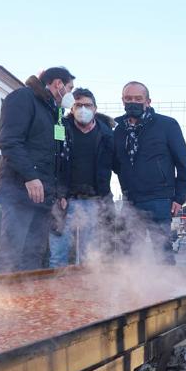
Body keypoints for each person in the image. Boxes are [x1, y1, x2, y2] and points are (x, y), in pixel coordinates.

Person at [0, 67, 75, 273]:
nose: (71, 94)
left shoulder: (53, 111)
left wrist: (58, 193)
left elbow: (55, 157)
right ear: (58, 84)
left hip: (43, 196)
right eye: (70, 88)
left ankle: (27, 300)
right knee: (11, 252)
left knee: (34, 254)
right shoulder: (23, 98)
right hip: (18, 192)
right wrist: (30, 177)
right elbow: (9, 141)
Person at [113, 81, 186, 265]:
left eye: (138, 98)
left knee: (162, 251)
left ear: (148, 101)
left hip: (160, 199)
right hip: (130, 201)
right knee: (130, 253)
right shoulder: (118, 131)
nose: (133, 102)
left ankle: (169, 291)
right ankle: (136, 291)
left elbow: (183, 162)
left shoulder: (167, 125)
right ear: (122, 101)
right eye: (128, 98)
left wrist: (179, 197)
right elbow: (117, 164)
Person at [49, 88, 115, 267]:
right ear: (72, 108)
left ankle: (87, 293)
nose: (83, 109)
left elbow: (117, 166)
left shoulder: (107, 134)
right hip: (64, 201)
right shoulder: (60, 128)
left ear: (95, 108)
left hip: (94, 202)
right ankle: (56, 293)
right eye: (78, 105)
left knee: (90, 257)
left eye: (87, 105)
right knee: (58, 256)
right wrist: (59, 193)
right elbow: (53, 164)